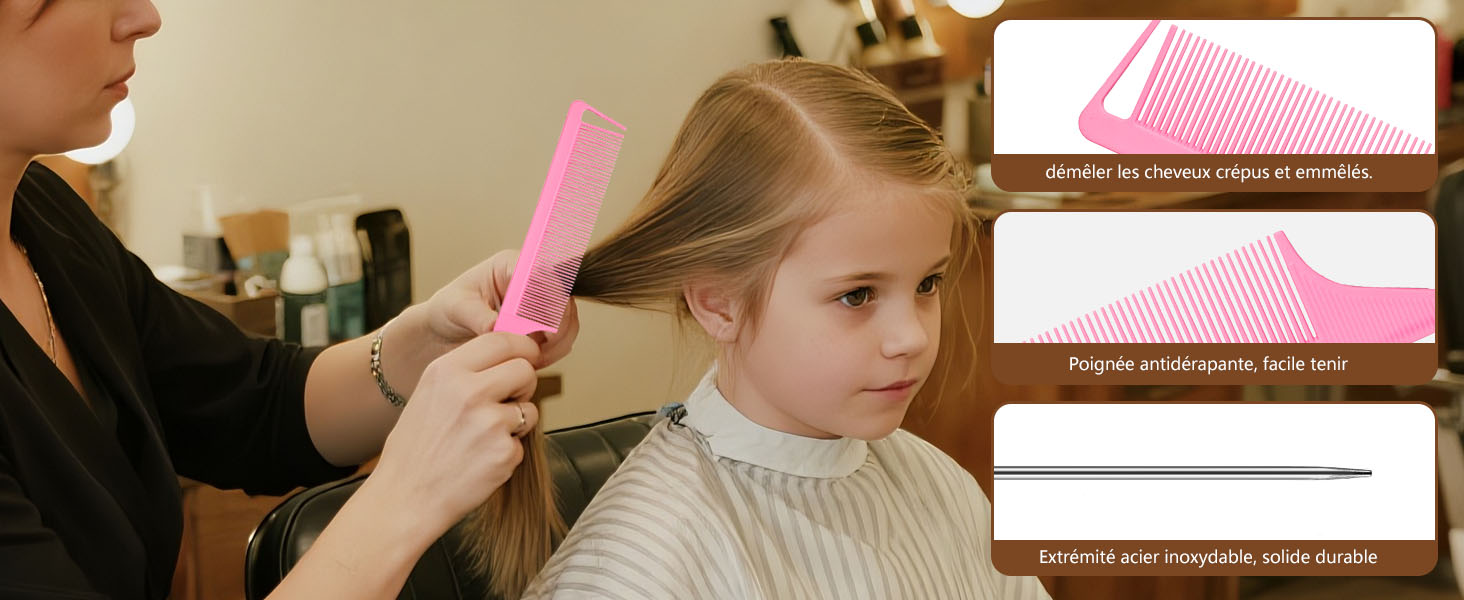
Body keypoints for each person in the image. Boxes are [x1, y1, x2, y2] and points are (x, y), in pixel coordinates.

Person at [0, 1, 576, 598]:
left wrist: (428, 342)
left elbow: (252, 401)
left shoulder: (47, 221)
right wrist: (410, 492)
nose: (143, 17)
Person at [516, 58, 1051, 599]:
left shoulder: (940, 487)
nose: (912, 337)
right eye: (857, 295)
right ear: (719, 303)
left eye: (928, 284)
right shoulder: (642, 566)